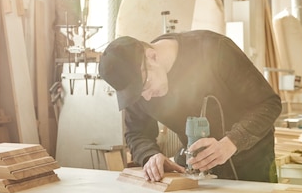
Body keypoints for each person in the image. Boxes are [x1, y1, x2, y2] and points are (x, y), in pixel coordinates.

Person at [98, 29, 282, 183]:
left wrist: (232, 142)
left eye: (145, 86)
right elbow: (136, 132)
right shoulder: (137, 84)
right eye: (138, 94)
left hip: (253, 164)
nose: (145, 97)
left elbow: (269, 104)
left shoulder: (214, 50)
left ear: (152, 56)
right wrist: (150, 156)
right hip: (201, 173)